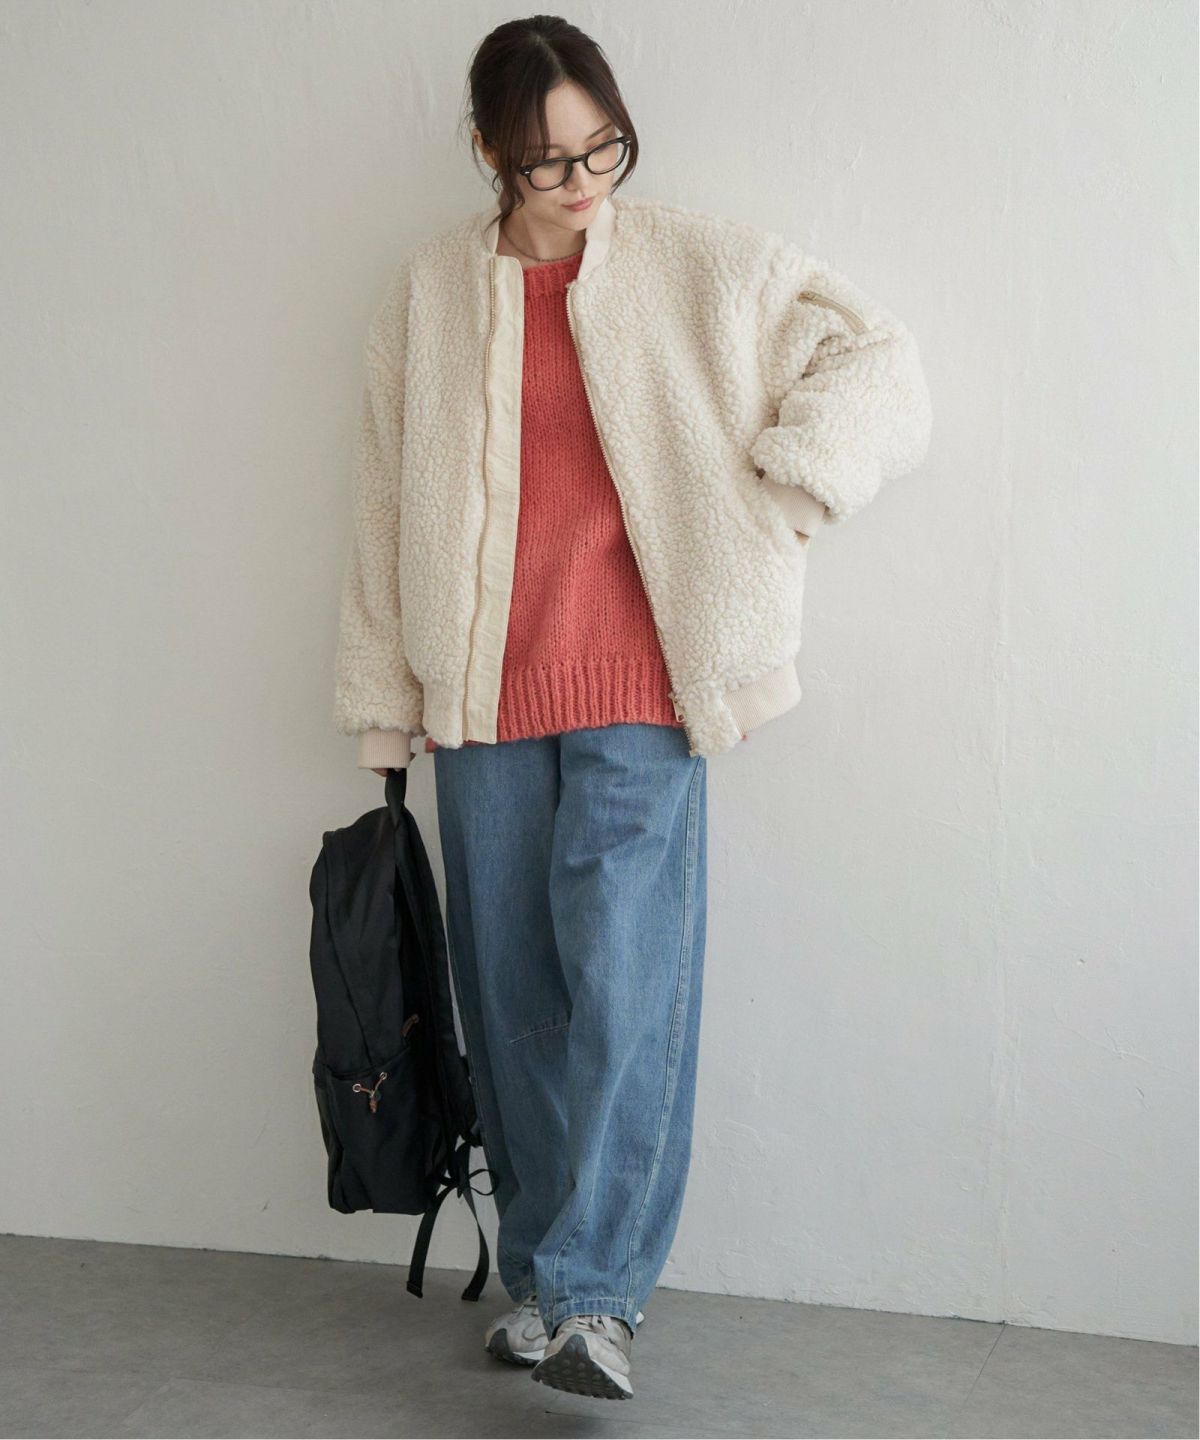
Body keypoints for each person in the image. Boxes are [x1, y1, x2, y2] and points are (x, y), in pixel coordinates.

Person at [332, 15, 932, 1403]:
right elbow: (381, 498)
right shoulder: (428, 293)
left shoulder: (692, 263)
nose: (583, 181)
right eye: (548, 161)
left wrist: (788, 493)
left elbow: (879, 357)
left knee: (623, 988)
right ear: (488, 153)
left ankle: (601, 1296)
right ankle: (546, 1282)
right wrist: (384, 702)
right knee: (511, 998)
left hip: (642, 691)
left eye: (604, 148)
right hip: (483, 699)